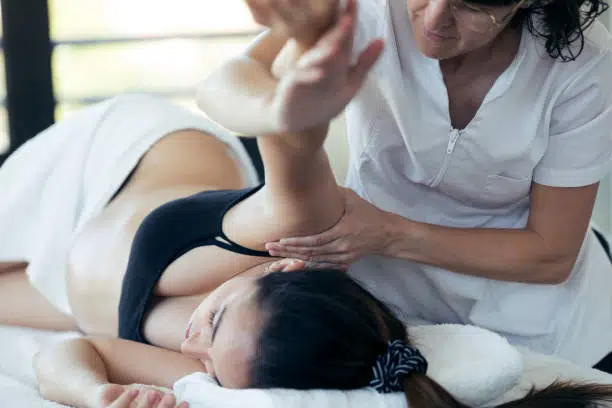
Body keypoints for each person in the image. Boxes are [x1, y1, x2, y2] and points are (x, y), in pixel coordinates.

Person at [195, 0, 612, 371]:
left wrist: (388, 233)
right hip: (386, 303)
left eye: (470, 6)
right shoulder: (370, 8)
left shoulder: (582, 62)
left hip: (540, 323)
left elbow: (551, 255)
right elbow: (225, 82)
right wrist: (278, 108)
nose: (435, 17)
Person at [34, 269, 612, 408]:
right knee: (66, 276)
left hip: (117, 274)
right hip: (161, 161)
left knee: (51, 280)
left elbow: (72, 350)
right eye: (216, 321)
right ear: (277, 274)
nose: (190, 347)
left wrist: (96, 396)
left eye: (211, 362)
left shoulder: (248, 371)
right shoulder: (287, 284)